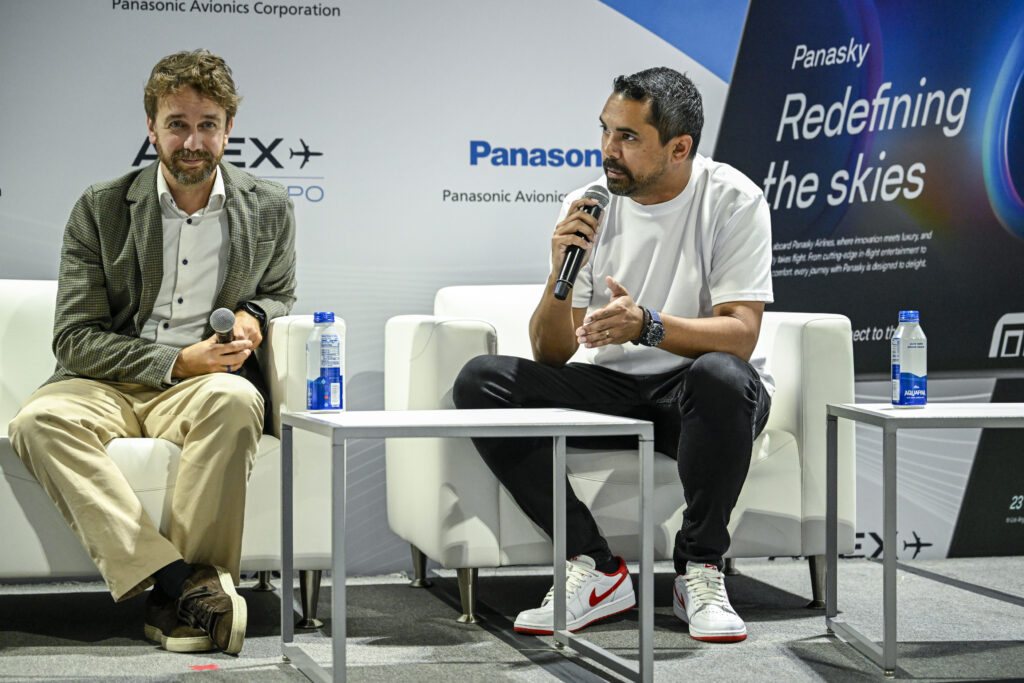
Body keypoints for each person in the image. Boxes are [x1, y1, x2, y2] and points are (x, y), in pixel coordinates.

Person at [453, 67, 773, 643]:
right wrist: (559, 274)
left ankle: (700, 568)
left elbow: (740, 334)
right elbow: (551, 353)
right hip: (617, 391)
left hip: (700, 398)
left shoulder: (733, 199)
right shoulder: (588, 204)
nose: (608, 149)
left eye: (627, 136)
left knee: (722, 374)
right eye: (605, 130)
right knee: (483, 380)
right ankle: (593, 566)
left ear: (679, 148)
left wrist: (647, 326)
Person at [7, 49, 297, 655]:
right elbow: (75, 337)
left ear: (228, 128)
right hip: (105, 383)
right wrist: (175, 362)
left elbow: (279, 291)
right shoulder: (102, 206)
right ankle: (180, 585)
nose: (192, 142)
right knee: (37, 421)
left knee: (236, 400)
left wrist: (256, 315)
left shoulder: (270, 207)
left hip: (201, 387)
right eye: (177, 124)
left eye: (207, 125)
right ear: (151, 128)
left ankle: (181, 599)